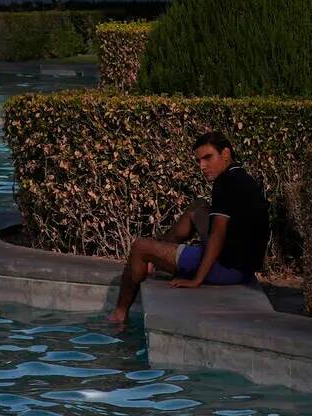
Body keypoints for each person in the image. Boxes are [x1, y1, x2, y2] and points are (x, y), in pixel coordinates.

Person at [107, 131, 270, 323]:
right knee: (197, 208)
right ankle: (154, 260)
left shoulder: (225, 183)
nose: (202, 166)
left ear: (225, 153)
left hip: (228, 269)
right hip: (243, 264)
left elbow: (218, 235)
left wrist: (197, 280)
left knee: (139, 248)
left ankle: (119, 315)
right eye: (199, 160)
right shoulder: (241, 177)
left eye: (208, 158)